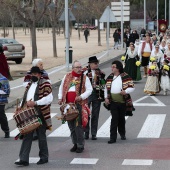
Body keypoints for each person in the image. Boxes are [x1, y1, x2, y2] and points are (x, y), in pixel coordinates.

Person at [15, 66, 53, 166]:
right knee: (27, 136)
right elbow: (25, 98)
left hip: (40, 113)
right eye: (32, 74)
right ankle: (23, 159)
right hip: (29, 114)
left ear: (40, 75)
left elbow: (49, 99)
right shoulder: (29, 84)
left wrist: (35, 103)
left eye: (35, 74)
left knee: (41, 136)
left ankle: (44, 157)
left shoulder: (46, 83)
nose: (33, 76)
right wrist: (20, 107)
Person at [58, 60, 92, 153]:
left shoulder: (84, 78)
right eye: (77, 67)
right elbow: (61, 87)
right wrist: (60, 98)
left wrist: (81, 97)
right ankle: (75, 143)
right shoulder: (67, 76)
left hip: (78, 105)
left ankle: (80, 145)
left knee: (78, 126)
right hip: (67, 105)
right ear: (73, 68)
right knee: (71, 126)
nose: (80, 69)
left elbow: (89, 90)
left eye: (80, 67)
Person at [104, 60, 135, 144]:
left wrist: (126, 91)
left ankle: (122, 133)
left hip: (123, 102)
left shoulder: (125, 76)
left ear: (118, 68)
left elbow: (132, 87)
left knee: (121, 119)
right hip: (113, 102)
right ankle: (112, 138)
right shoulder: (110, 77)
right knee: (114, 119)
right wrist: (106, 98)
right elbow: (105, 88)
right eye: (112, 66)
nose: (112, 68)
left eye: (113, 67)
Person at [23, 58, 50, 140]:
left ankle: (40, 132)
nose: (42, 66)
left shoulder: (44, 73)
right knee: (32, 117)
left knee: (40, 118)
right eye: (40, 64)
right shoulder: (29, 74)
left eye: (42, 64)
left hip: (41, 99)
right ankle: (33, 132)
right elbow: (24, 84)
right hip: (31, 99)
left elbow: (48, 83)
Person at [83, 56, 105, 140]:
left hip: (97, 94)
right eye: (95, 63)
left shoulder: (100, 73)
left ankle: (93, 133)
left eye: (97, 63)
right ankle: (86, 132)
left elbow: (103, 84)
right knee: (86, 114)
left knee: (95, 114)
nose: (97, 64)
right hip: (87, 95)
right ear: (90, 64)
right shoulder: (84, 73)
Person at [0, 73, 10, 138]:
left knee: (1, 115)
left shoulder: (3, 79)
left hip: (1, 100)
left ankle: (6, 130)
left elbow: (7, 91)